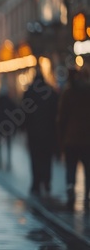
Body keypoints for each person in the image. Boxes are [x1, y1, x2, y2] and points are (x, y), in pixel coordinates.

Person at [57, 66, 90, 210]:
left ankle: (70, 188)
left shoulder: (68, 93)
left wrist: (59, 136)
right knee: (88, 168)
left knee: (71, 166)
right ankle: (87, 193)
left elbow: (61, 117)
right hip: (87, 138)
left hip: (71, 138)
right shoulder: (88, 92)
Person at [22, 70, 58, 197]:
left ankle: (36, 183)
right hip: (48, 131)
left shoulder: (29, 92)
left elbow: (24, 113)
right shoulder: (51, 92)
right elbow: (56, 113)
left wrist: (23, 128)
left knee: (35, 158)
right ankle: (46, 181)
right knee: (47, 158)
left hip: (33, 132)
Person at [0, 82, 18, 171]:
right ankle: (8, 162)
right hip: (8, 126)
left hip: (0, 126)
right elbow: (16, 114)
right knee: (8, 144)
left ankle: (0, 161)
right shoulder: (10, 101)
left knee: (0, 144)